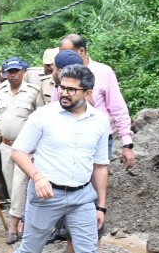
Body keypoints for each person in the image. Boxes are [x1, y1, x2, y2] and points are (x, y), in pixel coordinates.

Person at [0, 63, 115, 253]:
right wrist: (37, 176)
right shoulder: (44, 116)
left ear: (88, 92)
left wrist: (101, 206)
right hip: (47, 195)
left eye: (71, 89)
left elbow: (100, 165)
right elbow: (18, 152)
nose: (64, 93)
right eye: (61, 87)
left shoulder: (99, 121)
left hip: (83, 197)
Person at [48, 50, 115, 253]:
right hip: (74, 181)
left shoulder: (91, 116)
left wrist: (101, 204)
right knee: (80, 234)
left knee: (75, 235)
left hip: (78, 184)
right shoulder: (66, 105)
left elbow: (100, 161)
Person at [0, 57, 45, 245]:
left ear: (23, 72)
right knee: (12, 187)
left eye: (16, 71)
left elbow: (43, 120)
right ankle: (22, 223)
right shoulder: (1, 92)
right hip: (5, 146)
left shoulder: (33, 92)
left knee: (19, 186)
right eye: (9, 72)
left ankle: (12, 227)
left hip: (26, 149)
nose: (12, 75)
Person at [58, 34, 135, 168]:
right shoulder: (62, 74)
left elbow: (117, 108)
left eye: (67, 54)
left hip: (99, 139)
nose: (63, 59)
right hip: (68, 137)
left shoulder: (104, 72)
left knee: (98, 177)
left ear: (81, 51)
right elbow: (55, 106)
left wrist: (127, 144)